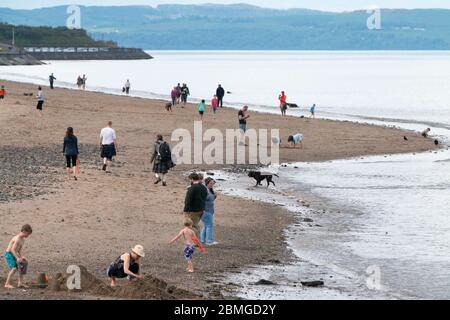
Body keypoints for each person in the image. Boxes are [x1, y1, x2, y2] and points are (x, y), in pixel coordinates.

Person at [3, 224, 33, 289]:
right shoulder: (17, 238)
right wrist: (17, 258)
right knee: (14, 268)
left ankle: (20, 283)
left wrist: (21, 257)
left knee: (22, 265)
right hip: (9, 254)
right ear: (24, 231)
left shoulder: (22, 240)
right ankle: (7, 284)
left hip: (14, 253)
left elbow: (19, 250)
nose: (28, 235)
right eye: (28, 234)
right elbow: (12, 249)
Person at [184, 173, 208, 237]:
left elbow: (188, 200)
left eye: (190, 179)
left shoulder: (192, 188)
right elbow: (205, 197)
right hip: (201, 209)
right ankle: (198, 239)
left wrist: (185, 210)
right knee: (196, 225)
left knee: (192, 225)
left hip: (193, 210)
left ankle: (197, 241)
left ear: (192, 179)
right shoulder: (203, 187)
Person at [200, 178, 219, 246]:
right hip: (205, 211)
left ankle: (202, 240)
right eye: (211, 183)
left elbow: (210, 200)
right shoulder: (205, 190)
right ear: (207, 183)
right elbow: (202, 199)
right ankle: (209, 241)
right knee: (209, 225)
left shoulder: (210, 190)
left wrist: (214, 196)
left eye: (213, 183)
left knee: (206, 225)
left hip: (209, 210)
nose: (212, 185)